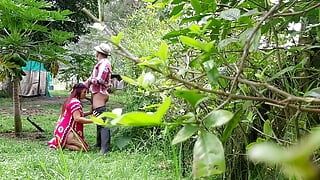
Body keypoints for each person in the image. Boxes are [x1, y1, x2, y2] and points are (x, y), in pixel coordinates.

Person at [84, 43, 113, 154]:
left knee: (102, 119)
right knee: (97, 116)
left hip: (100, 92)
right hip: (98, 92)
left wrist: (90, 80)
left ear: (99, 52)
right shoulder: (102, 63)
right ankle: (99, 143)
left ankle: (104, 149)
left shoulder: (104, 63)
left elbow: (100, 79)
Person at [48, 83, 93, 151]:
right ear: (79, 92)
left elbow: (75, 115)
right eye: (84, 92)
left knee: (84, 147)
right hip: (67, 131)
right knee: (84, 149)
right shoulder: (76, 103)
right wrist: (93, 121)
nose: (85, 94)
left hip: (61, 129)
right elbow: (77, 118)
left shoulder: (70, 100)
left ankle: (62, 143)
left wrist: (89, 113)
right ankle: (64, 145)